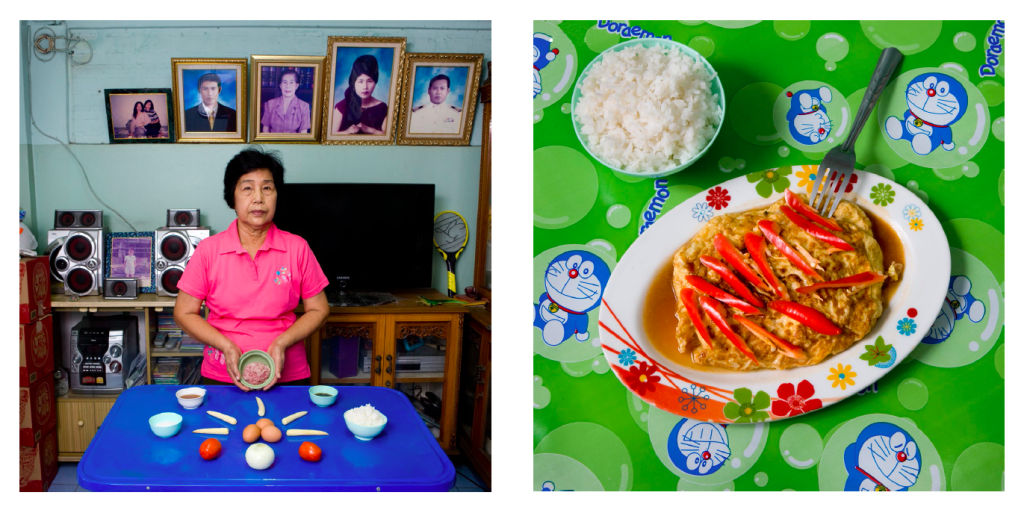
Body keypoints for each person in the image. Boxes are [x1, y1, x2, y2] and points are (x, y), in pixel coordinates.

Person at [174, 146, 330, 391]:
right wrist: (225, 346)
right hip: (222, 373)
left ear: (277, 194)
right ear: (232, 196)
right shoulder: (208, 251)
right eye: (247, 188)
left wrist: (282, 343)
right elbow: (184, 312)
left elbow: (319, 309)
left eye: (267, 188)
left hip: (288, 374)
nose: (258, 198)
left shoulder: (297, 248)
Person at [332, 55, 388, 135]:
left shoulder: (382, 108)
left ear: (375, 83)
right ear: (353, 83)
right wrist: (347, 132)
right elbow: (330, 135)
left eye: (369, 81)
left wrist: (370, 130)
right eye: (360, 81)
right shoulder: (342, 106)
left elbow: (389, 137)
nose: (365, 87)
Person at [261, 69, 311, 134]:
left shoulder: (304, 106)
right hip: (273, 143)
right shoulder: (270, 104)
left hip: (293, 143)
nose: (288, 86)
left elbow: (303, 133)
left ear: (296, 86)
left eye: (291, 82)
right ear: (280, 85)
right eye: (284, 82)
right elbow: (265, 129)